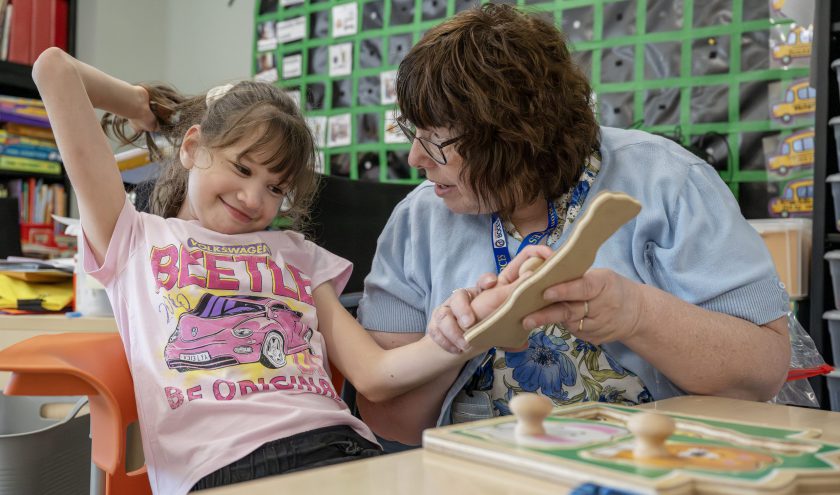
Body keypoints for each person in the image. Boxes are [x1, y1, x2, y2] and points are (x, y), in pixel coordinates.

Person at [32, 48, 513, 494]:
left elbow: (376, 374)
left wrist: (472, 330)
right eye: (242, 169)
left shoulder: (295, 252)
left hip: (343, 450)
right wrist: (144, 106)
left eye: (275, 187)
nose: (253, 198)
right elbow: (54, 69)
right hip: (224, 467)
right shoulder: (133, 237)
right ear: (193, 146)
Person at [355, 3, 791, 448]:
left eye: (436, 140)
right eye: (413, 132)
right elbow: (389, 421)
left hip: (651, 463)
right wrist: (465, 337)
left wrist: (636, 313)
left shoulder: (668, 180)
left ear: (512, 134)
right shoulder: (418, 220)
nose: (416, 159)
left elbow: (762, 373)